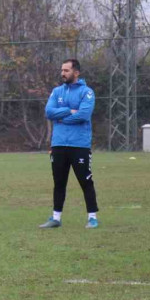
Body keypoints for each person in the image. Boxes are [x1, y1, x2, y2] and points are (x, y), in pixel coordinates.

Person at [40, 59, 99, 229]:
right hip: (58, 144)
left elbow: (83, 115)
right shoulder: (57, 91)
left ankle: (92, 218)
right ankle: (56, 218)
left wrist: (61, 118)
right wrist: (69, 111)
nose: (63, 73)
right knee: (59, 182)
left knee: (85, 181)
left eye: (66, 70)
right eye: (62, 70)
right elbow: (48, 112)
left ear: (76, 72)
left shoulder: (87, 92)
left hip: (79, 145)